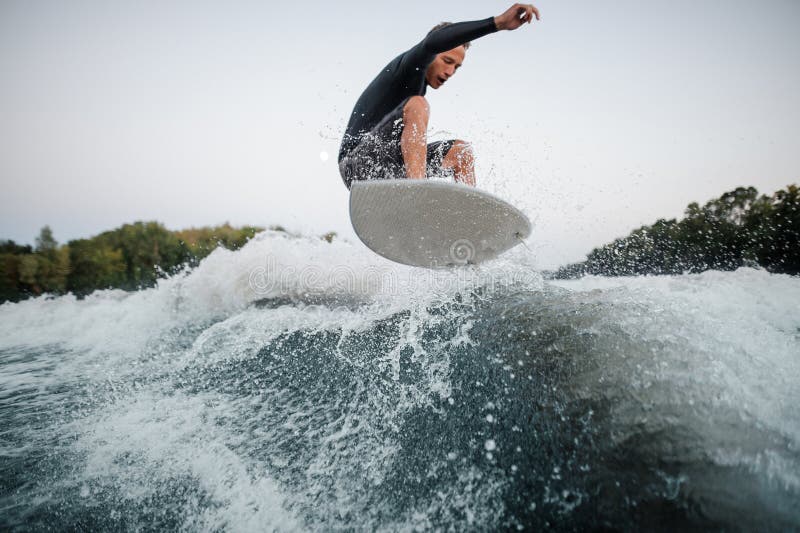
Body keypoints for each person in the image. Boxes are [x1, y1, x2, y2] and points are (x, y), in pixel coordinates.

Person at [338, 3, 540, 190]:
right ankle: (418, 193)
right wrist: (498, 23)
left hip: (388, 165)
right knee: (418, 105)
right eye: (447, 60)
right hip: (356, 164)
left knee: (461, 152)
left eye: (456, 67)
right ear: (432, 54)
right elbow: (432, 43)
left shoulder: (418, 86)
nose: (450, 72)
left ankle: (468, 219)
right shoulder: (410, 65)